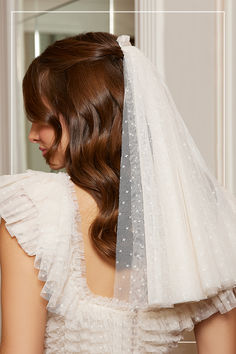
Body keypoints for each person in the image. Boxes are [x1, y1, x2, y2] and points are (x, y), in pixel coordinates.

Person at [0, 31, 236, 354]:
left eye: (41, 118)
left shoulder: (32, 212)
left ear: (80, 114)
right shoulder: (199, 217)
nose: (32, 134)